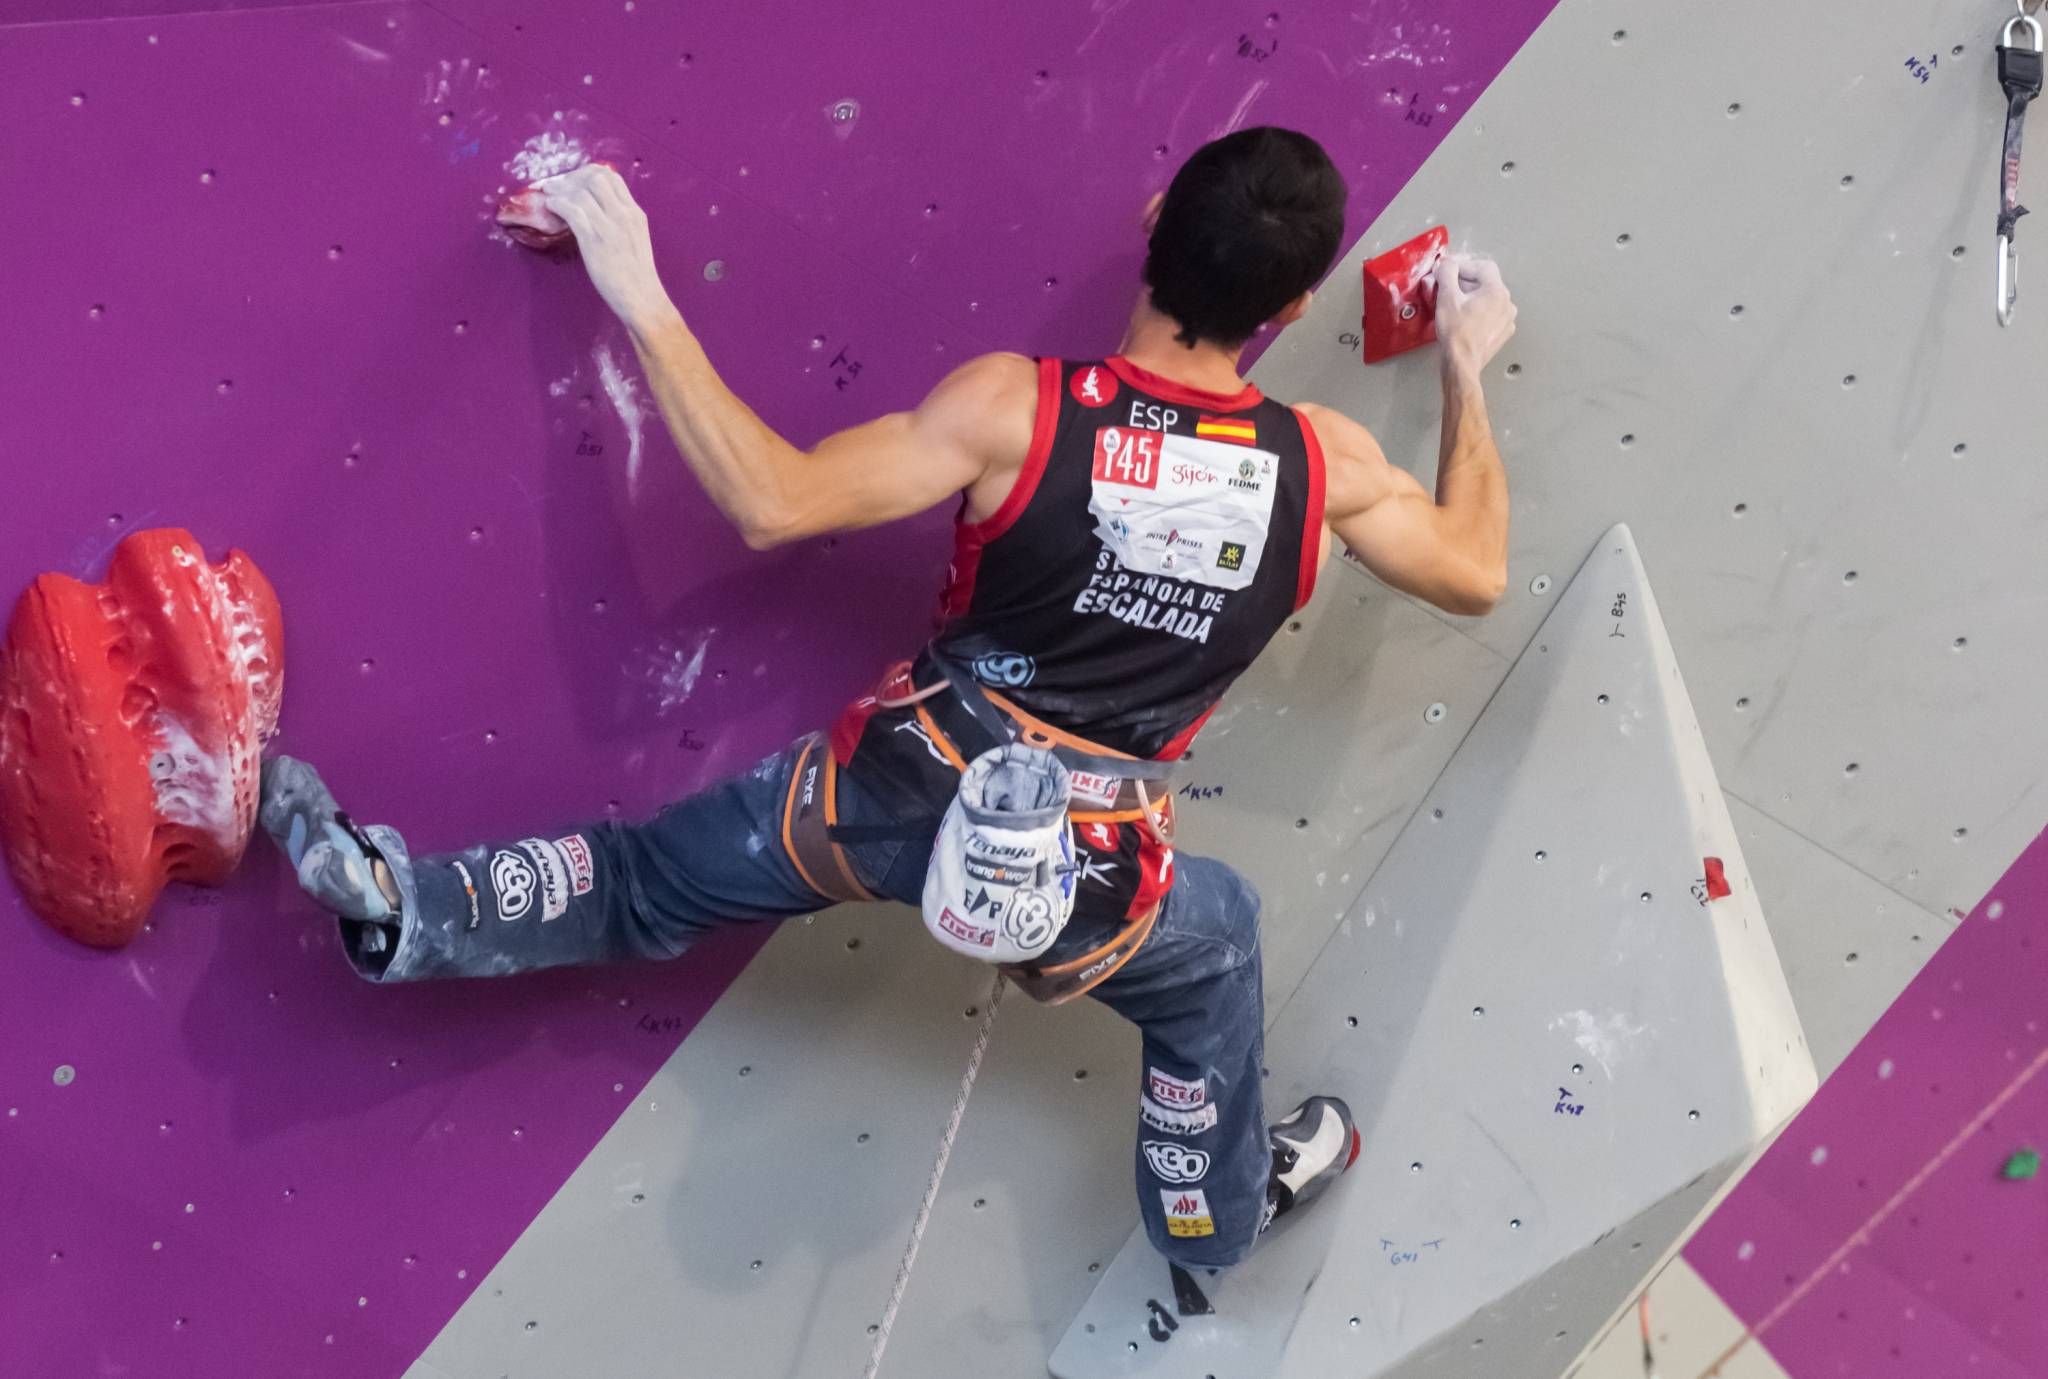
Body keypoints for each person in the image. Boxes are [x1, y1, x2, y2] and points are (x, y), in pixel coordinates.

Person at [262, 126, 1516, 1273]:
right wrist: (1463, 362)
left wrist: (635, 288)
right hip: (1085, 869)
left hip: (901, 787)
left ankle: (412, 906)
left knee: (643, 879)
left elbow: (774, 499)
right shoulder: (1325, 466)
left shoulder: (1013, 412)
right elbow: (1474, 570)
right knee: (1218, 945)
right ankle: (1209, 1214)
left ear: (1152, 224)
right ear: (1292, 307)